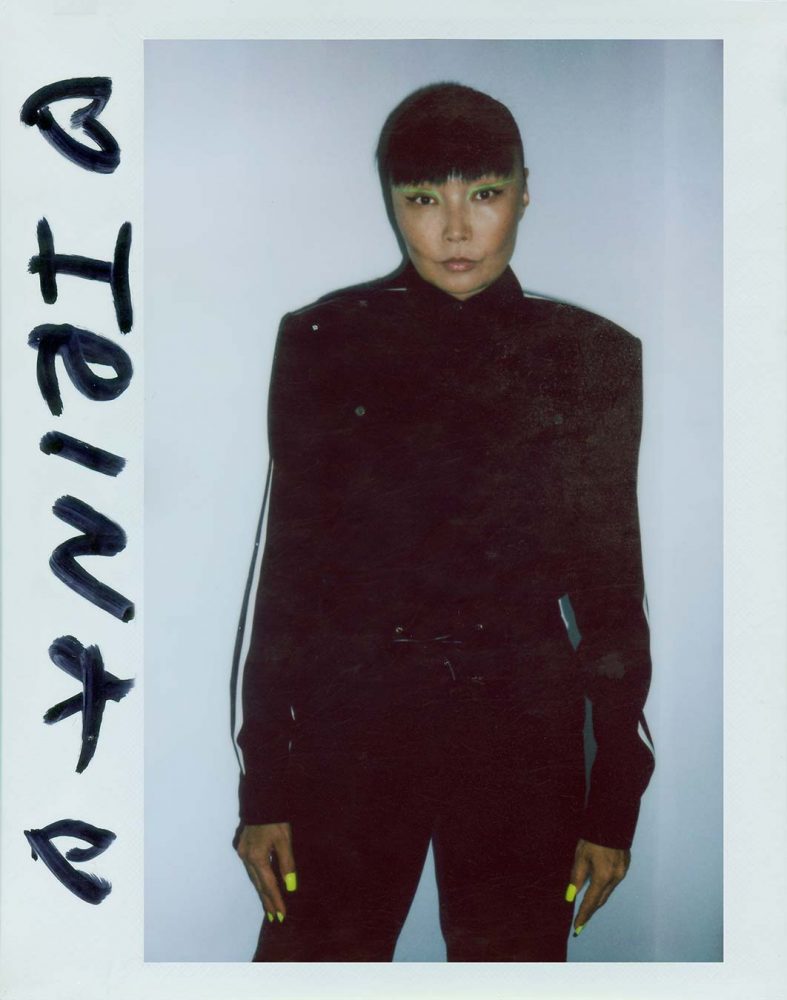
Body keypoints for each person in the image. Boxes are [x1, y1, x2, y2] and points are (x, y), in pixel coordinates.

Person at [232, 81, 655, 962]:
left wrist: (614, 799)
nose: (456, 230)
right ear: (392, 201)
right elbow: (288, 573)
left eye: (484, 194)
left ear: (524, 193)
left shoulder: (589, 356)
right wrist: (264, 786)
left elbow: (612, 591)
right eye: (424, 200)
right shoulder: (325, 340)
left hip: (521, 735)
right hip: (352, 724)